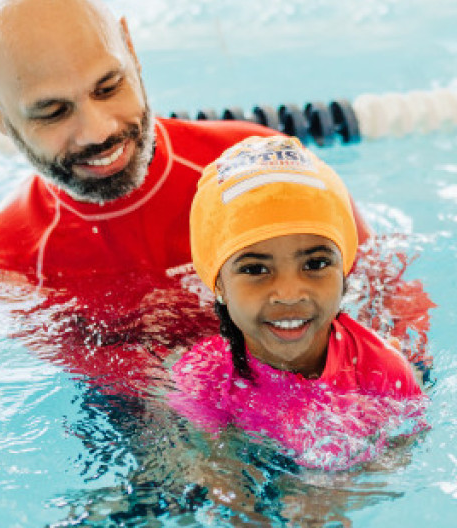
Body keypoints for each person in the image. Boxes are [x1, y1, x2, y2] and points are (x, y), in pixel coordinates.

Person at [0, 0, 431, 395]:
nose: (99, 130)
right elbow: (137, 398)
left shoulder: (263, 171)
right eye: (52, 112)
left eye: (109, 87)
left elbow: (386, 295)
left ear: (130, 48)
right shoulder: (8, 262)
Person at [168, 136, 428, 471]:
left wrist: (333, 495)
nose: (289, 294)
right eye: (256, 269)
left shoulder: (384, 374)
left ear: (345, 271)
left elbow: (399, 464)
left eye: (316, 264)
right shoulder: (202, 377)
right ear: (218, 284)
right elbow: (209, 469)